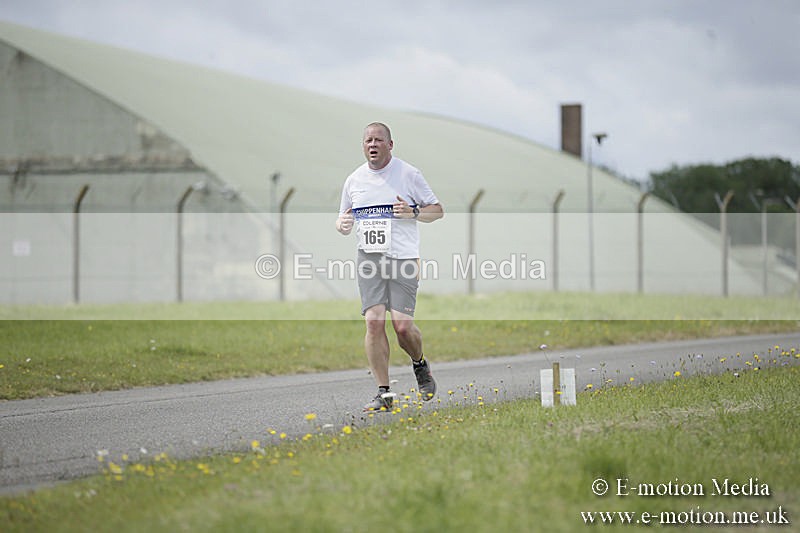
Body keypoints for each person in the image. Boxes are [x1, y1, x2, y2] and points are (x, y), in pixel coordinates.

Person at [336, 122, 444, 412]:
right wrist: (342, 224)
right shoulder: (354, 181)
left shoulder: (408, 174)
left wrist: (414, 212)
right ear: (363, 146)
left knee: (402, 327)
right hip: (369, 259)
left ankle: (420, 365)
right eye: (368, 141)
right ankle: (384, 393)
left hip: (403, 258)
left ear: (390, 145)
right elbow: (342, 219)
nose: (372, 145)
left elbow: (438, 210)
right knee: (373, 321)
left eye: (378, 140)